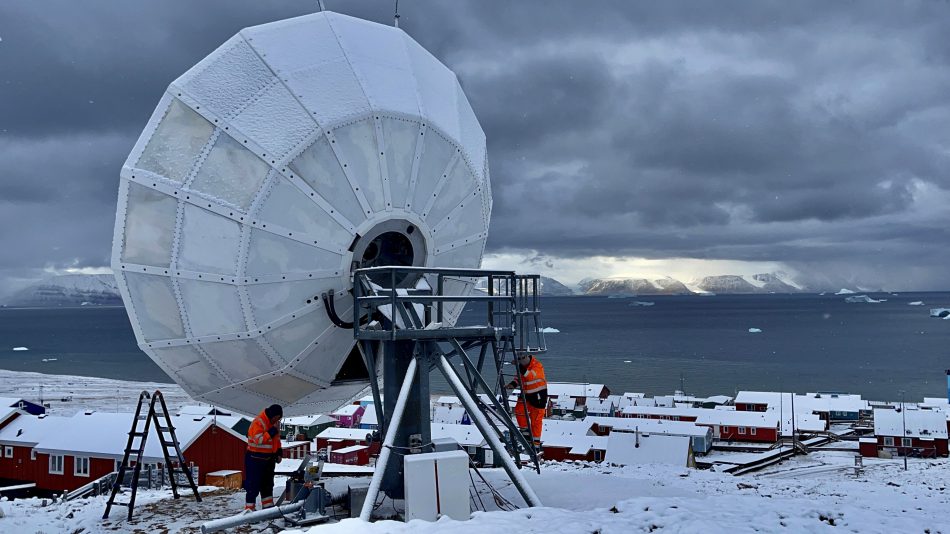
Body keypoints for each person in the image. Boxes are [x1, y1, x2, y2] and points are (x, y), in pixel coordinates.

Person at [244, 403, 283, 511]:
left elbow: (276, 440)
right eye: (276, 417)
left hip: (268, 460)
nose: (277, 420)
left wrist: (279, 452)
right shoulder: (258, 422)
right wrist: (272, 431)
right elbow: (258, 440)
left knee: (267, 485)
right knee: (253, 485)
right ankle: (249, 509)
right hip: (255, 459)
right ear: (272, 415)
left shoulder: (274, 424)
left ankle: (268, 507)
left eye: (279, 418)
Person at [505, 352, 548, 445]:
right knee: (519, 411)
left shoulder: (537, 366)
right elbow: (519, 378)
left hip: (538, 396)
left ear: (527, 357)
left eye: (521, 359)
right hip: (526, 394)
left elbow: (530, 376)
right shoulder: (521, 367)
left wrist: (518, 366)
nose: (521, 361)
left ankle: (536, 442)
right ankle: (525, 433)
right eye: (519, 359)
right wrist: (512, 384)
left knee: (536, 419)